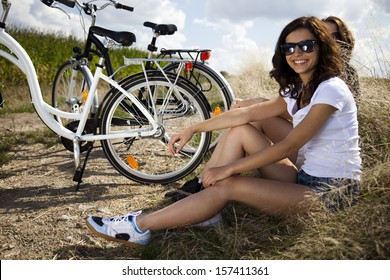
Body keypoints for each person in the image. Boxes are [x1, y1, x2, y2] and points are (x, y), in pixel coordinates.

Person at [85, 16, 362, 248]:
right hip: (305, 179)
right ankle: (202, 207)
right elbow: (247, 114)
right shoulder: (299, 88)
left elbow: (287, 147)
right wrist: (193, 128)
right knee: (240, 129)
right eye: (289, 48)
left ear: (321, 48)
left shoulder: (332, 88)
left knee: (227, 186)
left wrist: (228, 170)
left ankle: (138, 226)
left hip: (331, 195)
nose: (297, 53)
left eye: (305, 45)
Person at [323, 16, 360, 98]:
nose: (329, 41)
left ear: (343, 39)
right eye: (324, 36)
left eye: (334, 36)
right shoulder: (308, 68)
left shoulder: (350, 72)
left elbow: (355, 106)